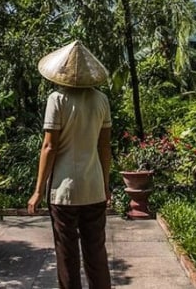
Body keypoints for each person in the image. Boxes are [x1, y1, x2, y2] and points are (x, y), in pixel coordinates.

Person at [27, 40, 113, 289]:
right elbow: (104, 147)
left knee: (67, 254)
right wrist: (106, 185)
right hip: (94, 188)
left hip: (63, 192)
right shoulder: (101, 101)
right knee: (96, 252)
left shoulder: (57, 99)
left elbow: (49, 147)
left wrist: (37, 191)